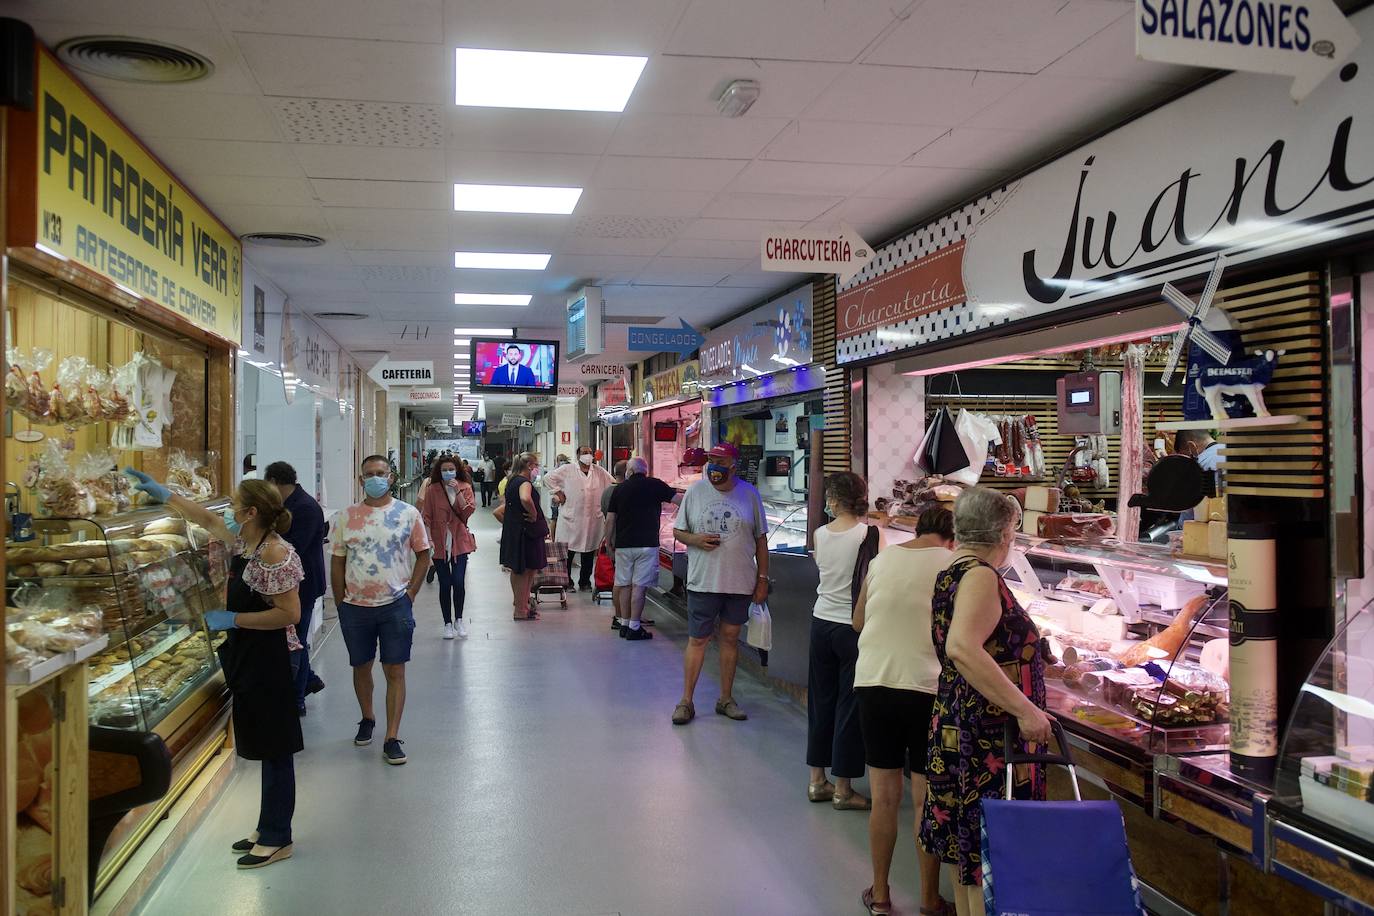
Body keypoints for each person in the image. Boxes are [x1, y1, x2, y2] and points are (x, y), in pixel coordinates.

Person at [126, 469, 303, 869]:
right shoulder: (246, 543)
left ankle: (279, 836)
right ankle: (267, 826)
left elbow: (289, 614)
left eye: (234, 506)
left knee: (277, 750)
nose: (227, 512)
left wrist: (233, 619)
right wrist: (165, 493)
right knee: (265, 745)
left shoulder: (275, 553)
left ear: (251, 512)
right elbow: (205, 518)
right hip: (252, 654)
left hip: (274, 657)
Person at [920, 488, 1052, 916]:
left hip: (962, 725)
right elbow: (962, 646)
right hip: (987, 738)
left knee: (970, 854)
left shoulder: (956, 568)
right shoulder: (980, 575)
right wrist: (1026, 710)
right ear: (1004, 532)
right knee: (989, 851)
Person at [853, 507, 956, 916]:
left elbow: (858, 621)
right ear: (952, 537)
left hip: (874, 682)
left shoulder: (883, 558)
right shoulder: (954, 564)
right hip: (927, 688)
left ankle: (880, 895)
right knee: (926, 799)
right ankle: (930, 900)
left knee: (884, 798)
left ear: (916, 530)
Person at [329, 455, 432, 766]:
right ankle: (367, 717)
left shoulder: (408, 514)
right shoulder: (346, 517)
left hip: (395, 605)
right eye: (369, 474)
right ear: (361, 480)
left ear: (391, 477)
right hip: (355, 607)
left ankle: (392, 736)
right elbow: (337, 561)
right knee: (361, 666)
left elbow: (424, 555)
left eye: (381, 473)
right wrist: (340, 602)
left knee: (395, 670)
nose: (375, 478)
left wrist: (411, 593)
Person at [670, 442, 769, 725]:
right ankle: (686, 701)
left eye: (720, 461)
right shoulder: (695, 492)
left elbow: (761, 540)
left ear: (733, 466)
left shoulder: (750, 494)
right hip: (703, 581)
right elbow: (678, 531)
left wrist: (762, 578)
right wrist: (695, 539)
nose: (714, 466)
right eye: (711, 460)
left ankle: (725, 699)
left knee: (730, 638)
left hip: (740, 582)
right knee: (698, 639)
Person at [807, 472, 878, 815]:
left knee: (820, 702)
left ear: (833, 500)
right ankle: (843, 788)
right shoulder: (869, 534)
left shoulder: (820, 534)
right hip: (852, 627)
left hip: (820, 622)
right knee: (848, 706)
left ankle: (816, 780)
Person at [262, 461, 328, 715]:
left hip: (304, 585)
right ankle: (308, 679)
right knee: (294, 639)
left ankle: (297, 698)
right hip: (292, 584)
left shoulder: (305, 507)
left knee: (296, 641)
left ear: (275, 482)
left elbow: (294, 547)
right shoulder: (289, 504)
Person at [605, 457, 679, 640]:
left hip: (623, 544)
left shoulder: (619, 489)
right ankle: (634, 627)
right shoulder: (655, 485)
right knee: (639, 586)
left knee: (624, 585)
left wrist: (608, 542)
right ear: (645, 471)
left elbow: (610, 519)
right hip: (647, 544)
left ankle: (624, 624)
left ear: (629, 471)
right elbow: (680, 500)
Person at [543, 445, 615, 592]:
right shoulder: (567, 469)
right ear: (577, 455)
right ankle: (567, 581)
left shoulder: (599, 471)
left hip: (592, 520)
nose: (587, 455)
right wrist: (558, 492)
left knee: (588, 552)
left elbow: (612, 484)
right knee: (568, 553)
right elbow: (548, 478)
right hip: (571, 518)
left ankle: (585, 582)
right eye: (584, 453)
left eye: (589, 453)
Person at [420, 456, 476, 640]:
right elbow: (427, 516)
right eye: (444, 470)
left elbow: (467, 512)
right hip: (439, 542)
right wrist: (429, 539)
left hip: (459, 541)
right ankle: (447, 623)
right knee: (445, 584)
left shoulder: (465, 487)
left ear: (457, 470)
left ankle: (459, 619)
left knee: (458, 582)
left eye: (451, 469)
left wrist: (457, 491)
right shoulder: (432, 490)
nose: (448, 473)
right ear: (439, 471)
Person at [500, 452, 548, 620]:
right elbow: (526, 498)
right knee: (526, 570)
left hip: (516, 530)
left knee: (518, 569)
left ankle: (520, 603)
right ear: (529, 466)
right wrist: (533, 513)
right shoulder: (524, 482)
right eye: (536, 465)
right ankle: (521, 609)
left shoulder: (512, 481)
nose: (537, 469)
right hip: (527, 532)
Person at [600, 460, 627, 624]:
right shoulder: (620, 492)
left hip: (613, 540)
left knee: (620, 579)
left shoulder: (606, 491)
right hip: (621, 541)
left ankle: (622, 616)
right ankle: (621, 616)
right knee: (622, 582)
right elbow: (611, 518)